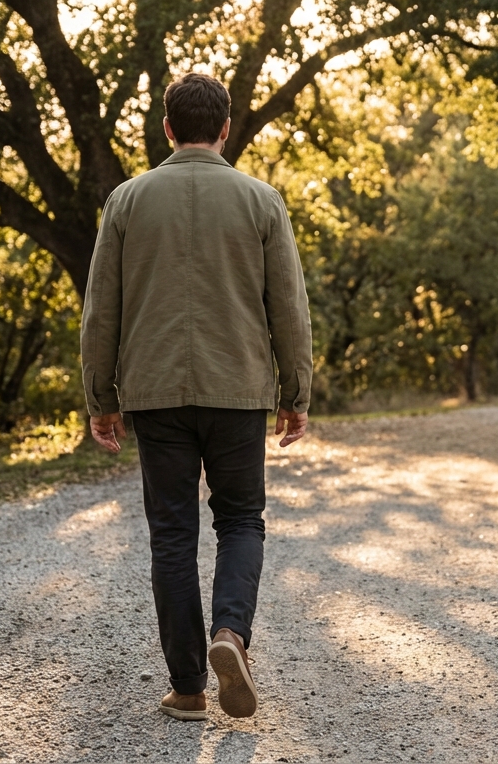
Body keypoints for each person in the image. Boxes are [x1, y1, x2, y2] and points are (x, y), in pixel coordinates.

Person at [79, 72, 312, 721]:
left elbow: (102, 310)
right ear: (227, 128)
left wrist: (101, 396)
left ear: (167, 127)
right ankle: (229, 635)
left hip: (155, 394)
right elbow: (288, 308)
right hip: (238, 388)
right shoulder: (261, 200)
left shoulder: (126, 200)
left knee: (172, 534)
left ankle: (187, 688)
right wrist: (296, 391)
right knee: (240, 520)